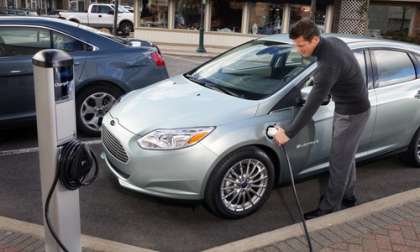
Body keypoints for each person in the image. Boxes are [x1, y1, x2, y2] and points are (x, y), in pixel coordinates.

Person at [273, 18, 371, 220]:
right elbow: (346, 71)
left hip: (352, 113)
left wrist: (288, 134)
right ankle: (349, 196)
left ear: (315, 39)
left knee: (338, 160)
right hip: (351, 107)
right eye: (296, 45)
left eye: (301, 45)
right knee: (346, 156)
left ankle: (329, 208)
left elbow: (311, 105)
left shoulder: (327, 65)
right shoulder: (333, 42)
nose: (298, 49)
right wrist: (332, 89)